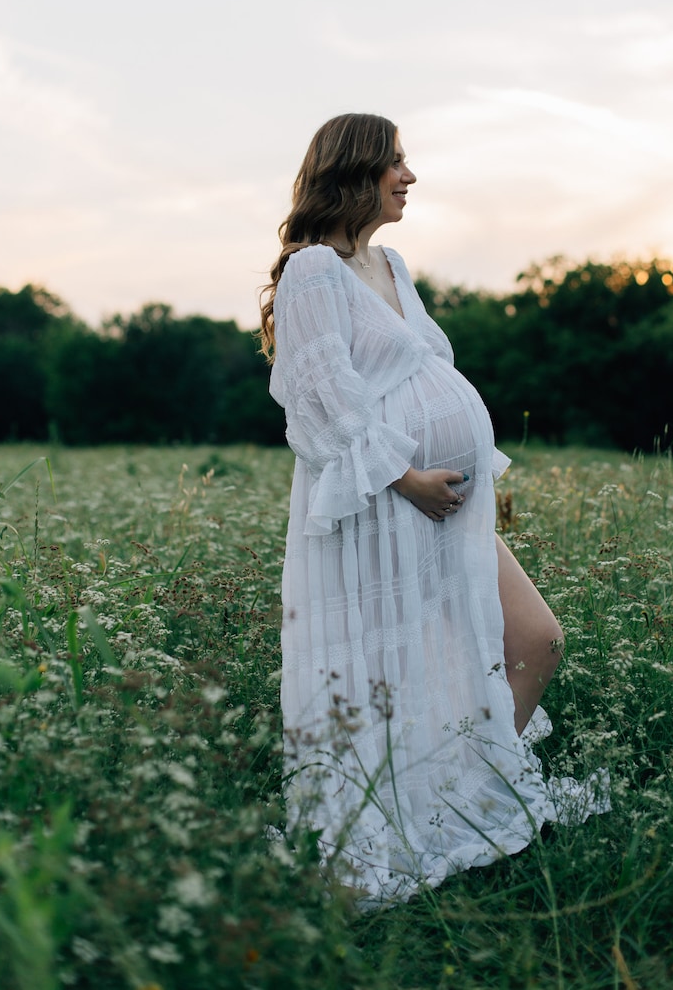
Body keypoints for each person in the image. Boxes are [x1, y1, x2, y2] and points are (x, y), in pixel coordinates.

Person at [260, 113, 607, 902]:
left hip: (445, 505)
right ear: (355, 171)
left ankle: (461, 793)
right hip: (385, 504)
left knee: (534, 639)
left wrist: (473, 465)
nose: (409, 178)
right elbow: (322, 401)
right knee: (400, 666)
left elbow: (424, 373)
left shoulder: (393, 263)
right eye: (396, 164)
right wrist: (408, 477)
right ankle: (425, 810)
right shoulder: (314, 270)